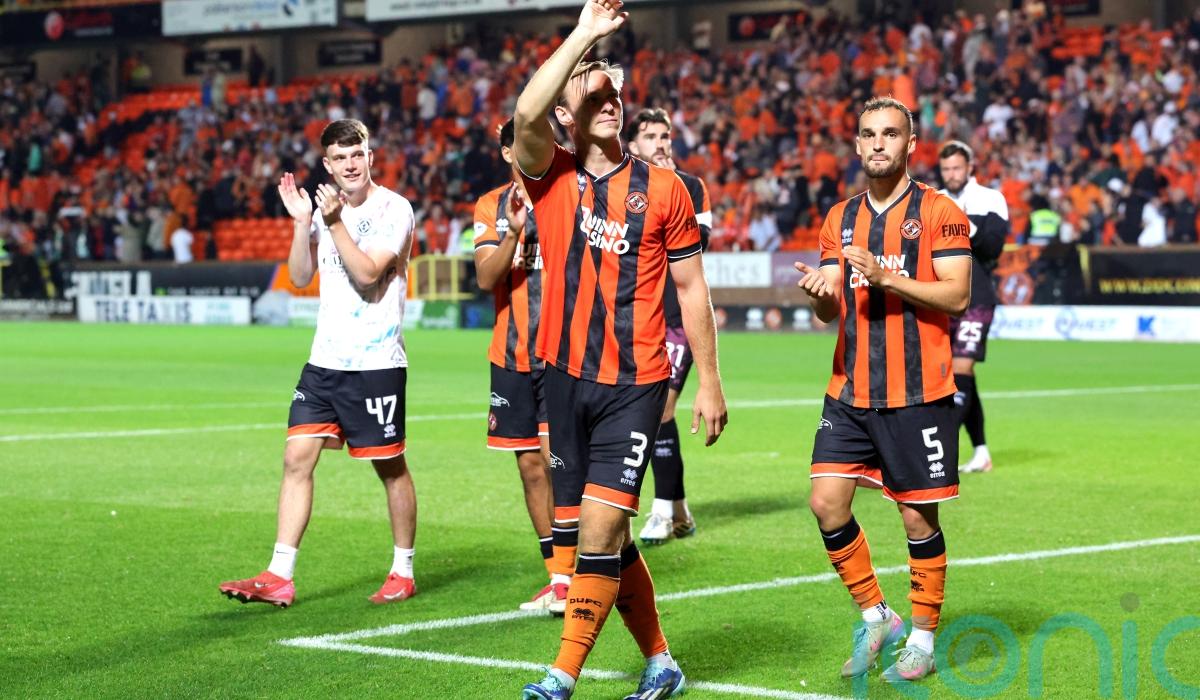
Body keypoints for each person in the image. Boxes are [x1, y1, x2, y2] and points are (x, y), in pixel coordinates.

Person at [513, 2, 728, 697]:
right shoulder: (550, 173)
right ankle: (661, 660)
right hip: (564, 378)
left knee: (598, 534)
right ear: (566, 112)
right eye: (593, 92)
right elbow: (524, 113)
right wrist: (582, 37)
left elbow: (692, 289)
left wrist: (709, 381)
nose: (610, 102)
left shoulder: (665, 189)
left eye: (615, 93)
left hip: (635, 384)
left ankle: (561, 675)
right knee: (604, 535)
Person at [794, 96, 972, 683]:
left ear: (910, 144)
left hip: (918, 392)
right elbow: (830, 307)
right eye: (869, 134)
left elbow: (957, 294)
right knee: (826, 503)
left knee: (917, 520)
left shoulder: (940, 210)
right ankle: (878, 615)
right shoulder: (839, 218)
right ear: (856, 144)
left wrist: (886, 277)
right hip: (849, 390)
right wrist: (821, 294)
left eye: (890, 134)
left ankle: (921, 639)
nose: (878, 143)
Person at [219, 119, 418, 608]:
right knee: (296, 459)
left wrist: (331, 223)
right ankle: (279, 574)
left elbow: (368, 275)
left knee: (390, 468)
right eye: (340, 158)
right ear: (327, 165)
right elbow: (300, 275)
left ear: (371, 157)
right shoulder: (326, 211)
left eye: (357, 154)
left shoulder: (394, 209)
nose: (350, 165)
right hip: (324, 360)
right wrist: (300, 224)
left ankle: (403, 570)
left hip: (375, 363)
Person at [473, 119, 575, 613]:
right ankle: (557, 577)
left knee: (560, 461)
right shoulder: (490, 206)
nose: (536, 149)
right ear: (507, 152)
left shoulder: (569, 196)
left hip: (561, 354)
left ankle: (577, 571)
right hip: (510, 356)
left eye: (545, 141)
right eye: (526, 143)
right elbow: (485, 276)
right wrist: (513, 234)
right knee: (531, 466)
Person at [624, 107, 712, 546]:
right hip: (636, 316)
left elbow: (700, 242)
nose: (660, 143)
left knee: (660, 410)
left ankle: (660, 510)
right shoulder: (622, 189)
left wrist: (670, 184)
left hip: (676, 319)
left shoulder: (691, 187)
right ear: (633, 145)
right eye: (650, 136)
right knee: (649, 412)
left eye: (665, 136)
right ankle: (679, 511)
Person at [937, 141, 1009, 474]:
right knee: (958, 377)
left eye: (956, 168)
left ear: (969, 168)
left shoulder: (990, 199)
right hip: (940, 299)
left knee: (961, 370)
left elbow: (993, 248)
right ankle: (981, 452)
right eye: (946, 169)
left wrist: (962, 221)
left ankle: (940, 453)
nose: (951, 174)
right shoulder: (933, 200)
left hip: (975, 297)